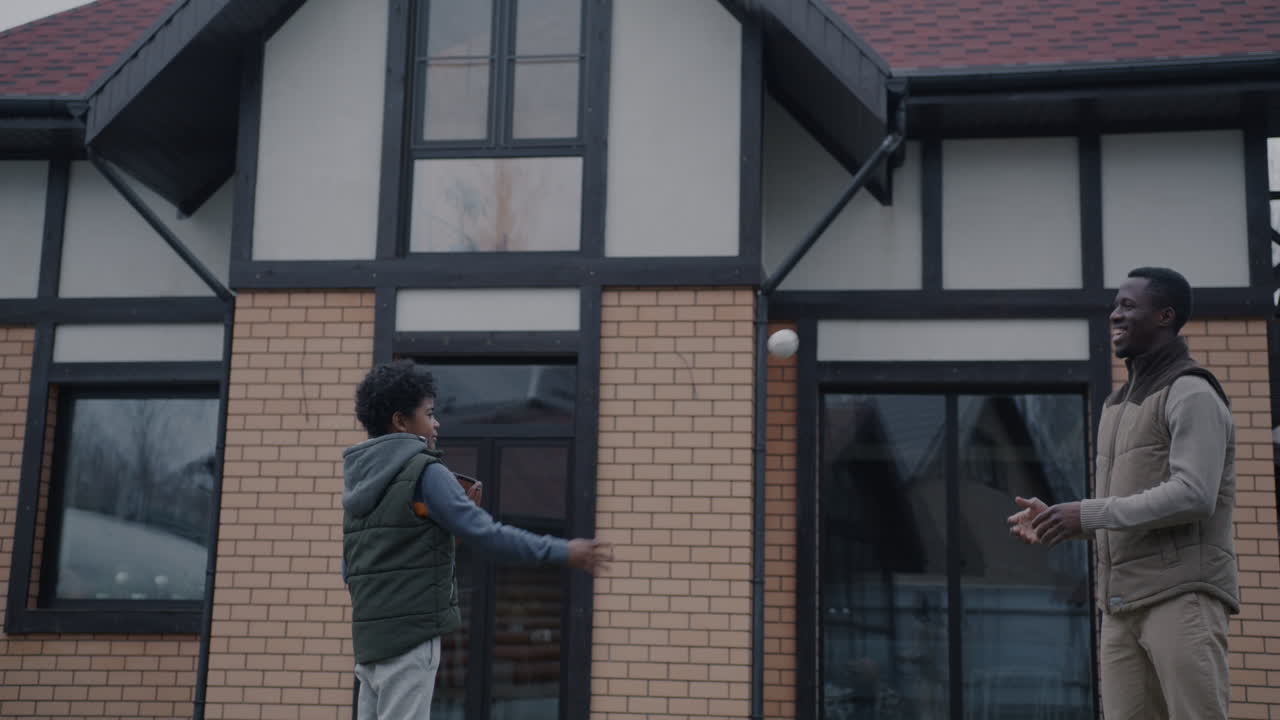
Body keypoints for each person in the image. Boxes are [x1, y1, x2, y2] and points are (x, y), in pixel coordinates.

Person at [1008, 266, 1237, 720]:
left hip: (1180, 595)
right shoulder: (1116, 405)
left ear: (1165, 316)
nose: (1114, 314)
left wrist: (1086, 514)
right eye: (1115, 305)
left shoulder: (1191, 391)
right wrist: (1062, 520)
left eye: (1128, 306)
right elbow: (1126, 508)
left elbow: (1193, 494)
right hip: (1119, 605)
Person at [342, 359, 611, 719]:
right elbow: (488, 535)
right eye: (429, 413)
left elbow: (355, 570)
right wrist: (564, 550)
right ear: (401, 421)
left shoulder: (359, 484)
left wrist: (443, 535)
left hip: (370, 646)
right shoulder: (425, 471)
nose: (436, 424)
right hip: (410, 641)